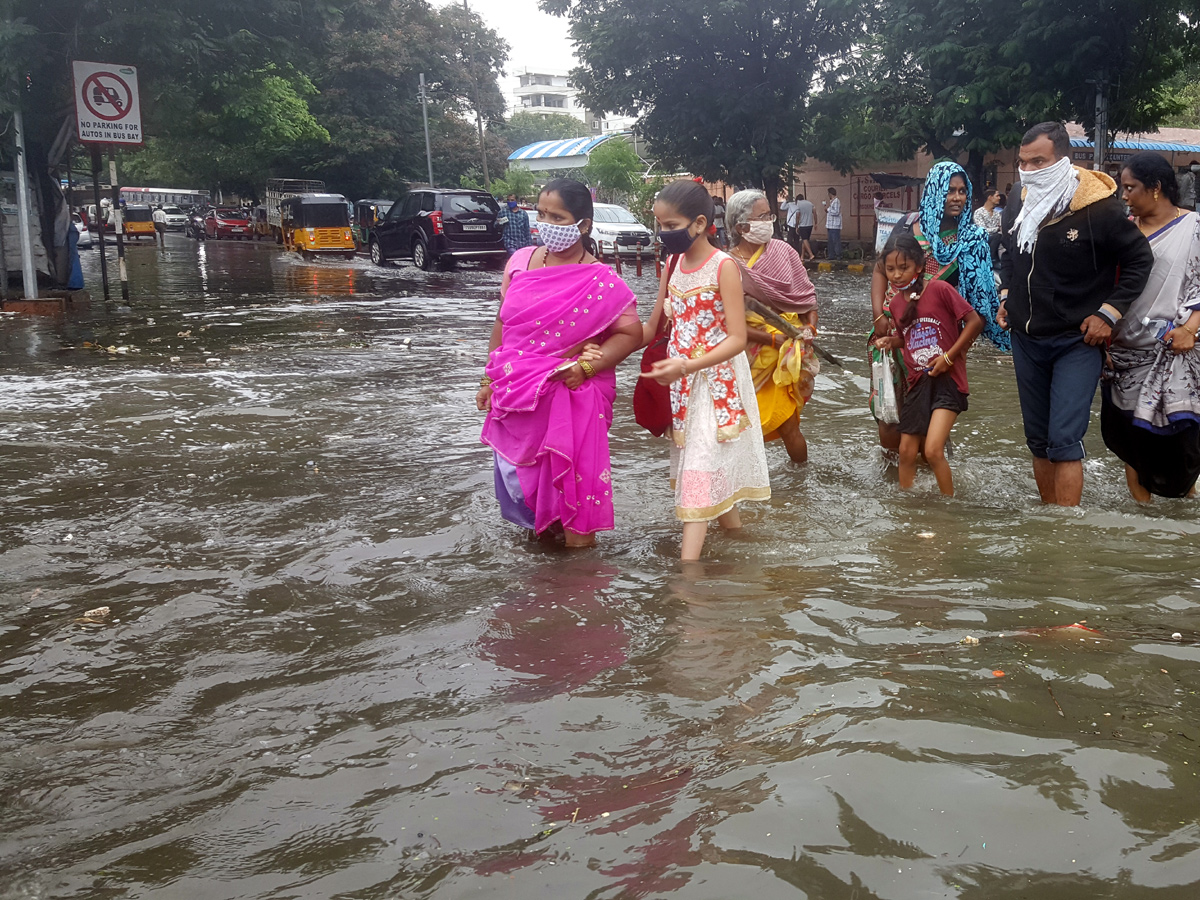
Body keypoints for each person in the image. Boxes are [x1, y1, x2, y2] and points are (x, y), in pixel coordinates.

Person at [477, 178, 642, 548]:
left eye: (557, 216)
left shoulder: (603, 280)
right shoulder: (520, 262)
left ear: (583, 224)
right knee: (524, 490)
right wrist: (488, 380)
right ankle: (545, 576)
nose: (546, 223)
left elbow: (632, 335)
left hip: (571, 397)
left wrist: (587, 368)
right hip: (516, 393)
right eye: (541, 213)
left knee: (573, 501)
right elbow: (504, 322)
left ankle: (579, 584)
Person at [997, 121, 1154, 506]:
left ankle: (1065, 537)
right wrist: (1006, 294)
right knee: (1037, 438)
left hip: (1076, 340)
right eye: (1024, 162)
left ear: (1064, 159)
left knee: (1064, 440)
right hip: (1026, 338)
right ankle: (1049, 523)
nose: (1030, 171)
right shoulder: (1019, 197)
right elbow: (1009, 251)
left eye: (1039, 162)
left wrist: (1108, 313)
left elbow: (1138, 259)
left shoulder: (1097, 207)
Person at [639, 179, 770, 561]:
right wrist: (603, 345)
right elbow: (654, 327)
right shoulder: (673, 263)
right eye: (660, 226)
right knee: (704, 462)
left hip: (717, 384)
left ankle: (688, 575)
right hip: (682, 384)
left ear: (698, 223)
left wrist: (688, 365)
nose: (663, 234)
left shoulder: (723, 266)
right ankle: (739, 540)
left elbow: (737, 338)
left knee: (698, 467)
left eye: (670, 226)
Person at [869, 160, 1007, 454]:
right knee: (889, 413)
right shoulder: (908, 224)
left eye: (961, 191)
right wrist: (879, 315)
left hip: (937, 342)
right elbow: (881, 270)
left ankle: (931, 480)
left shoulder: (972, 240)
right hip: (892, 334)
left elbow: (977, 306)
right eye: (949, 191)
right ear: (934, 191)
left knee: (933, 415)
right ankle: (895, 480)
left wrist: (955, 351)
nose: (957, 198)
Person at [1102, 152, 1200, 501]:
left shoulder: (1193, 228)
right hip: (1122, 352)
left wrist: (1189, 329)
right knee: (1131, 439)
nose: (1125, 196)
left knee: (1179, 441)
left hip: (1174, 348)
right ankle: (1142, 520)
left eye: (1131, 188)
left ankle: (1183, 508)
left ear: (1156, 188)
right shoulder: (1123, 232)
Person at [873, 233, 983, 495]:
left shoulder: (940, 289)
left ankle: (948, 507)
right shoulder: (897, 304)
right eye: (890, 270)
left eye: (903, 268)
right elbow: (908, 339)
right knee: (906, 452)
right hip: (917, 383)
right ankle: (908, 507)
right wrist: (891, 341)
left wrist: (948, 357)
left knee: (933, 450)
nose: (897, 275)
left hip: (948, 381)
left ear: (919, 267)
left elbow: (975, 322)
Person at [726, 188, 820, 464]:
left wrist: (810, 330)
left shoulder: (784, 252)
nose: (770, 221)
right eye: (763, 216)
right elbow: (726, 324)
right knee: (741, 430)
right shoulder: (726, 265)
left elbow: (807, 300)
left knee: (790, 426)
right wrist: (770, 340)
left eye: (770, 214)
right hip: (748, 358)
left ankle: (801, 484)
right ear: (741, 226)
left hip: (785, 358)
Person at [973, 188, 1003, 267]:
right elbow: (982, 230)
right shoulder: (979, 212)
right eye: (997, 196)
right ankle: (992, 259)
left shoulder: (997, 214)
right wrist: (997, 229)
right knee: (998, 235)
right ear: (990, 197)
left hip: (996, 238)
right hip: (984, 239)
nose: (999, 198)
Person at [794, 194, 815, 261]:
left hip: (803, 225)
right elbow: (814, 212)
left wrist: (796, 225)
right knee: (805, 240)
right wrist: (816, 222)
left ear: (797, 199)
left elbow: (797, 215)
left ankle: (811, 254)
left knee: (804, 239)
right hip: (810, 224)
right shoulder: (810, 203)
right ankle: (802, 256)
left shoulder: (798, 204)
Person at [823, 188, 842, 259]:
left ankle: (838, 255)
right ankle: (831, 255)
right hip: (830, 225)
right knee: (830, 242)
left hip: (835, 225)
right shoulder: (832, 202)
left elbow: (836, 212)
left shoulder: (836, 201)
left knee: (835, 241)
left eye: (828, 194)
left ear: (830, 194)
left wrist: (827, 210)